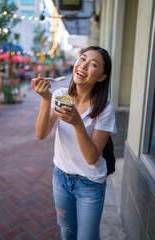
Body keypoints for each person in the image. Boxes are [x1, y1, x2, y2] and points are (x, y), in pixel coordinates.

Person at [34, 46, 117, 240]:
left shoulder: (105, 109)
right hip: (61, 178)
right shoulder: (61, 95)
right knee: (67, 232)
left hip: (90, 184)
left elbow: (91, 157)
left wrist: (77, 122)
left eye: (93, 64)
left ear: (102, 77)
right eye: (82, 59)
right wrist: (46, 99)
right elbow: (41, 134)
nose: (84, 65)